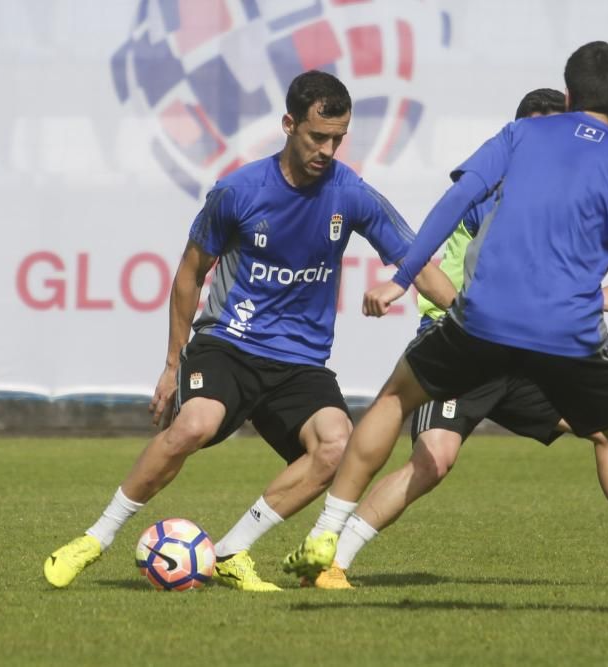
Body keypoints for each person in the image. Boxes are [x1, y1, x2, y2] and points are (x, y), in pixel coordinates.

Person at [282, 43, 608, 618]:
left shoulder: (519, 137)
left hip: (483, 321)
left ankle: (327, 529)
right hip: (567, 335)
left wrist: (400, 276)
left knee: (394, 397)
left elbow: (458, 196)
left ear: (568, 97)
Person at [43, 70, 456, 592]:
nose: (328, 150)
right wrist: (173, 364)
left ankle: (230, 553)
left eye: (338, 139)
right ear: (288, 125)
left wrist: (469, 315)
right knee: (192, 426)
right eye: (317, 136)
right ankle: (95, 538)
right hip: (229, 345)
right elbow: (190, 273)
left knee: (336, 447)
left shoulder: (352, 195)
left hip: (301, 362)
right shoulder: (238, 192)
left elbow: (419, 263)